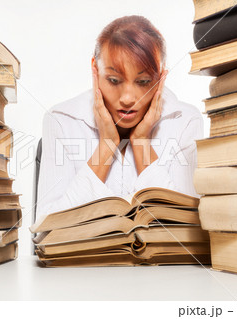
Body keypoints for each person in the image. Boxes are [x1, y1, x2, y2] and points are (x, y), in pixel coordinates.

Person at [35, 15, 203, 220]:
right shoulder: (61, 120)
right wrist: (107, 145)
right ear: (95, 71)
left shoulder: (185, 121)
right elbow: (46, 230)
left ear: (161, 78)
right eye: (114, 80)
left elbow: (187, 226)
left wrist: (141, 142)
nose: (128, 98)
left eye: (143, 81)